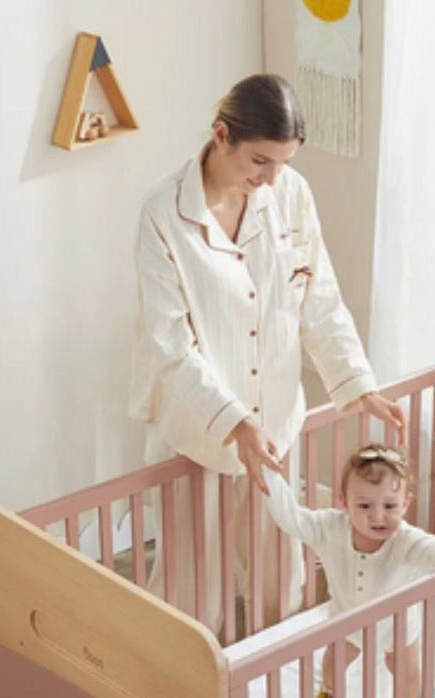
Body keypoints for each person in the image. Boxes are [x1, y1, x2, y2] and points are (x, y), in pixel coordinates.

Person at [129, 74, 405, 634]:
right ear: (221, 135)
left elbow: (318, 294)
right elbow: (172, 346)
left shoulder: (288, 193)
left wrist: (358, 379)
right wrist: (235, 424)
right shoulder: (163, 215)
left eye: (282, 163)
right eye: (260, 161)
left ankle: (280, 695)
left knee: (283, 575)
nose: (270, 178)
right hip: (198, 430)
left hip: (276, 421)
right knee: (192, 591)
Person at [262, 444, 435, 698]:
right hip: (347, 621)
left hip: (396, 626)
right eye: (364, 506)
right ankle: (330, 693)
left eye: (390, 506)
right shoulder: (330, 527)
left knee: (406, 672)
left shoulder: (407, 541)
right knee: (333, 663)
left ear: (406, 504)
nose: (378, 516)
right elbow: (292, 518)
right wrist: (268, 474)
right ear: (343, 502)